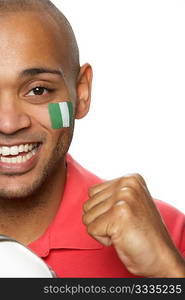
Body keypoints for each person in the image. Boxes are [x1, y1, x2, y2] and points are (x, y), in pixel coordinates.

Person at [0, 0, 184, 278]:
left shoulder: (168, 235)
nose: (9, 123)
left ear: (81, 93)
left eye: (38, 90)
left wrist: (168, 272)